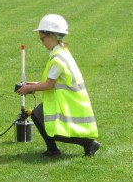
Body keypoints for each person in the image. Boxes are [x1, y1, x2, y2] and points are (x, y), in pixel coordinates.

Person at [16, 14, 100, 157]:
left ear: (52, 36)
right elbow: (53, 81)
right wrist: (32, 85)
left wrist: (29, 88)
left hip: (68, 101)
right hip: (67, 98)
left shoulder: (58, 58)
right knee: (37, 115)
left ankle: (88, 144)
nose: (42, 43)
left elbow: (49, 84)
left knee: (51, 128)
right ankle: (53, 150)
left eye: (43, 39)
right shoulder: (61, 52)